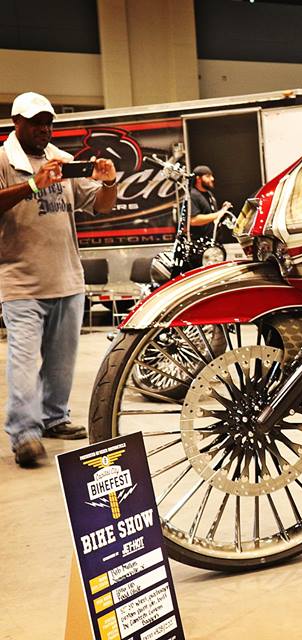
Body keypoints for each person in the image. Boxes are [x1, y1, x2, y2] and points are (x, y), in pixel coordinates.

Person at [0, 92, 117, 466]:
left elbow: (100, 205)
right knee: (23, 361)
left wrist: (109, 183)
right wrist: (33, 184)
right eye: (36, 123)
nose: (44, 129)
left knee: (61, 363)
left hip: (67, 278)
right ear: (16, 123)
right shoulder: (3, 160)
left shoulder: (63, 161)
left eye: (48, 123)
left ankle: (54, 418)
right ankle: (24, 433)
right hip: (21, 282)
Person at [188, 165, 231, 241]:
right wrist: (219, 213)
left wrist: (224, 210)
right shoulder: (192, 195)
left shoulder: (209, 194)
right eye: (208, 176)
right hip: (200, 243)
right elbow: (193, 220)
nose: (212, 179)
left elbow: (211, 217)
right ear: (198, 179)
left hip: (214, 241)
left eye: (211, 176)